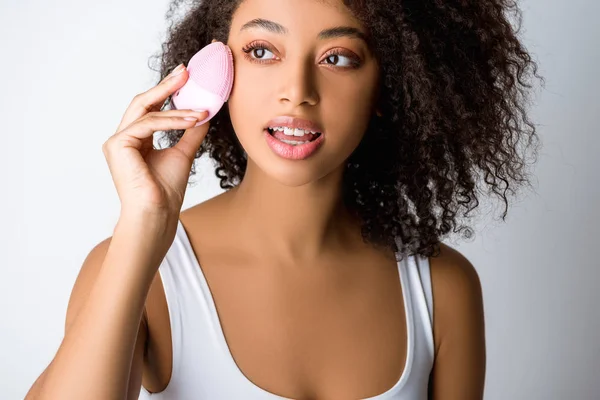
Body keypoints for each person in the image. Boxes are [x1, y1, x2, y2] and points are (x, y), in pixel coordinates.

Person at [25, 0, 542, 399]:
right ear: (215, 73)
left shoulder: (441, 289)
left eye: (338, 57)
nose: (297, 91)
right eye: (261, 51)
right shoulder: (141, 270)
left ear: (392, 86)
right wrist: (143, 228)